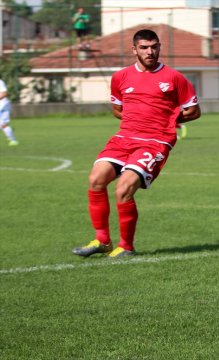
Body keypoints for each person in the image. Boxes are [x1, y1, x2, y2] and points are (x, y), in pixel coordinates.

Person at [72, 29, 201, 258]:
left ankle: (126, 247)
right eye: (144, 47)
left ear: (159, 47)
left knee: (124, 188)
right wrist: (137, 119)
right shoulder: (120, 77)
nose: (150, 52)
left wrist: (168, 119)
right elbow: (117, 109)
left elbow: (193, 111)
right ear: (134, 50)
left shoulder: (174, 78)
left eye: (154, 47)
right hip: (124, 138)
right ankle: (102, 240)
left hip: (155, 141)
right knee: (96, 179)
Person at [0, 78, 19, 146]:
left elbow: (4, 93)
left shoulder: (0, 82)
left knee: (3, 124)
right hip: (5, 104)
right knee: (3, 124)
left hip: (2, 104)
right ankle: (13, 140)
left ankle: (13, 140)